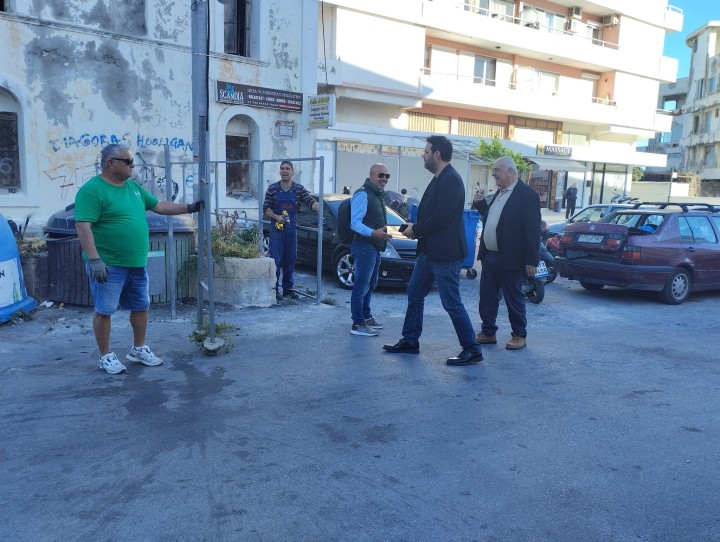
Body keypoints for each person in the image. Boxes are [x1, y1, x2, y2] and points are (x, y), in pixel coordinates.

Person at [75, 144, 203, 375]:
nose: (132, 165)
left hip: (136, 262)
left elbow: (159, 205)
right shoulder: (92, 190)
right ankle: (105, 356)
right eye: (128, 161)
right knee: (104, 310)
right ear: (110, 163)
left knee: (141, 306)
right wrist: (94, 259)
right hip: (109, 264)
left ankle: (138, 348)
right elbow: (83, 225)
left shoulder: (133, 187)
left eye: (132, 161)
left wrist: (190, 207)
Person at [383, 136, 482, 366]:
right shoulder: (440, 178)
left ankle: (472, 349)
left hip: (446, 254)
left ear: (437, 154)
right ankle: (410, 341)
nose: (423, 155)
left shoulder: (451, 180)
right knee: (415, 293)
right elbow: (432, 214)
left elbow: (441, 218)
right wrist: (413, 226)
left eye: (426, 152)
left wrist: (416, 229)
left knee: (451, 302)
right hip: (429, 251)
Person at [474, 156, 541, 351]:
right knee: (487, 297)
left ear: (510, 171)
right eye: (493, 170)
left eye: (497, 170)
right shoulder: (500, 193)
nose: (493, 174)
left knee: (514, 299)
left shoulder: (526, 194)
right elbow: (493, 219)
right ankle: (488, 332)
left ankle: (519, 335)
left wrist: (531, 260)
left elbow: (533, 229)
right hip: (490, 257)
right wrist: (480, 205)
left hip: (512, 258)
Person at [263, 160, 319, 301]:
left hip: (291, 230)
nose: (285, 171)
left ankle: (288, 289)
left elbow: (309, 201)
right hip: (277, 230)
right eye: (282, 168)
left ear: (292, 172)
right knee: (275, 260)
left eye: (287, 168)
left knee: (290, 259)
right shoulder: (272, 189)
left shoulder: (299, 189)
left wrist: (316, 205)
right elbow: (266, 209)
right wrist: (276, 217)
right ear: (280, 171)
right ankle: (274, 290)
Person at [349, 164, 393, 337]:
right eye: (381, 175)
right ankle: (357, 323)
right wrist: (374, 233)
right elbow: (355, 223)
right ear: (372, 175)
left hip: (374, 247)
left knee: (371, 284)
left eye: (387, 176)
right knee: (361, 285)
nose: (384, 179)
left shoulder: (377, 195)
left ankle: (366, 317)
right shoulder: (363, 194)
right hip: (364, 246)